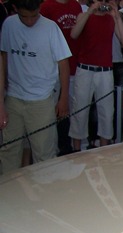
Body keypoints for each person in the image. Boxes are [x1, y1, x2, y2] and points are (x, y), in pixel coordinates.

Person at [0, 0, 71, 174]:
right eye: (25, 16)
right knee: (9, 150)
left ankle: (45, 188)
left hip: (42, 100)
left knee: (44, 153)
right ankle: (9, 188)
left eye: (34, 16)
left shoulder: (50, 28)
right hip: (14, 97)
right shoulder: (9, 25)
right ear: (15, 9)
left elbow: (64, 64)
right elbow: (4, 57)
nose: (30, 21)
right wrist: (2, 97)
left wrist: (63, 98)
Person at [69, 0, 123, 151]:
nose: (103, 3)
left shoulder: (111, 18)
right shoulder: (84, 15)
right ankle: (76, 149)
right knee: (80, 110)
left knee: (106, 112)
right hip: (85, 69)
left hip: (105, 70)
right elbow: (74, 34)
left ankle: (104, 148)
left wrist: (116, 16)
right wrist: (90, 11)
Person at [40, 0, 82, 155]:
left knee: (74, 109)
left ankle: (69, 146)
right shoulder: (47, 6)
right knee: (57, 110)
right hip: (55, 68)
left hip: (76, 65)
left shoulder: (76, 6)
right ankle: (58, 147)